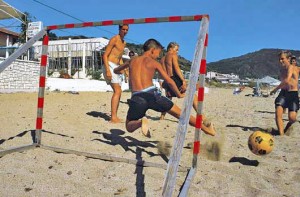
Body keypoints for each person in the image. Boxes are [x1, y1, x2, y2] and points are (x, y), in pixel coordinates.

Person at [114, 38, 216, 137]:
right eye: (158, 52)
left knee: (129, 126)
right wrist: (179, 94)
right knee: (182, 115)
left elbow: (116, 70)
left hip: (137, 97)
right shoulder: (154, 63)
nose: (158, 55)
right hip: (153, 96)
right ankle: (208, 130)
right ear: (152, 50)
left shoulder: (132, 60)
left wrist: (123, 71)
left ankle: (141, 122)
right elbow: (169, 80)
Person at [102, 24, 129, 123]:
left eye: (127, 30)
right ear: (119, 29)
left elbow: (119, 58)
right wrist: (108, 69)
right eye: (123, 29)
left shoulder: (124, 42)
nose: (125, 31)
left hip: (117, 67)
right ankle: (113, 117)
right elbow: (105, 55)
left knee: (119, 91)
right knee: (117, 91)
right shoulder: (114, 39)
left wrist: (125, 70)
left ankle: (115, 116)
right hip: (109, 65)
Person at [270, 51, 299, 135]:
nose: (280, 61)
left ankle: (288, 126)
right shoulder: (281, 69)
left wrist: (275, 89)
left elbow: (287, 80)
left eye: (282, 59)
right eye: (279, 59)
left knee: (292, 118)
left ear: (288, 59)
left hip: (293, 94)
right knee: (278, 113)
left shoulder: (292, 67)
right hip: (283, 93)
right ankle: (281, 135)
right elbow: (284, 82)